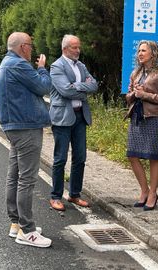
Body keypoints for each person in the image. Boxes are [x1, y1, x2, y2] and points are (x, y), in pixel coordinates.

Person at [0, 32, 52, 248]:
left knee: (15, 175)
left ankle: (16, 223)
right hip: (26, 126)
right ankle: (27, 231)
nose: (32, 49)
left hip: (15, 126)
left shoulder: (6, 63)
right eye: (30, 45)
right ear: (22, 47)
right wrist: (42, 68)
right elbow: (43, 87)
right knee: (26, 179)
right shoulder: (19, 65)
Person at [48, 34, 98, 211]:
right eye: (74, 48)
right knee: (60, 158)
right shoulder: (56, 66)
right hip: (63, 117)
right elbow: (65, 91)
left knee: (80, 157)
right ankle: (55, 196)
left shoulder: (81, 66)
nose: (78, 51)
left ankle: (74, 194)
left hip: (80, 116)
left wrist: (76, 86)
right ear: (64, 49)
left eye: (78, 47)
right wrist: (82, 88)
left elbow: (95, 85)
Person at [125, 40, 158, 211]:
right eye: (138, 50)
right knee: (132, 155)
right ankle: (144, 190)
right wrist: (133, 93)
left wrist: (144, 94)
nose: (139, 53)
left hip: (154, 118)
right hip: (137, 117)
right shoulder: (135, 73)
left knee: (153, 157)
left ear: (153, 53)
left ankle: (153, 193)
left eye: (143, 50)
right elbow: (128, 97)